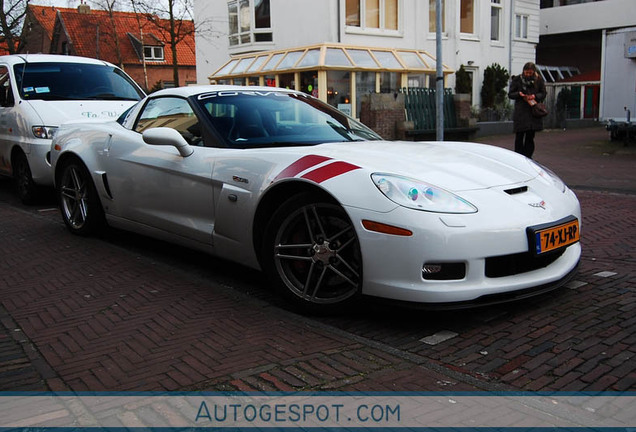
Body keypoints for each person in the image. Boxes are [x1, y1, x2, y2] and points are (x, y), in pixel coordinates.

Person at [508, 62, 546, 158]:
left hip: (533, 112)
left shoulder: (539, 80)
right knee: (519, 136)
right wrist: (519, 94)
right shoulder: (517, 80)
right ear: (523, 71)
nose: (528, 74)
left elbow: (544, 93)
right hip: (521, 112)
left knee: (530, 136)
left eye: (530, 73)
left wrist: (535, 96)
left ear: (534, 72)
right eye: (526, 72)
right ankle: (518, 156)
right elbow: (510, 94)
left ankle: (528, 157)